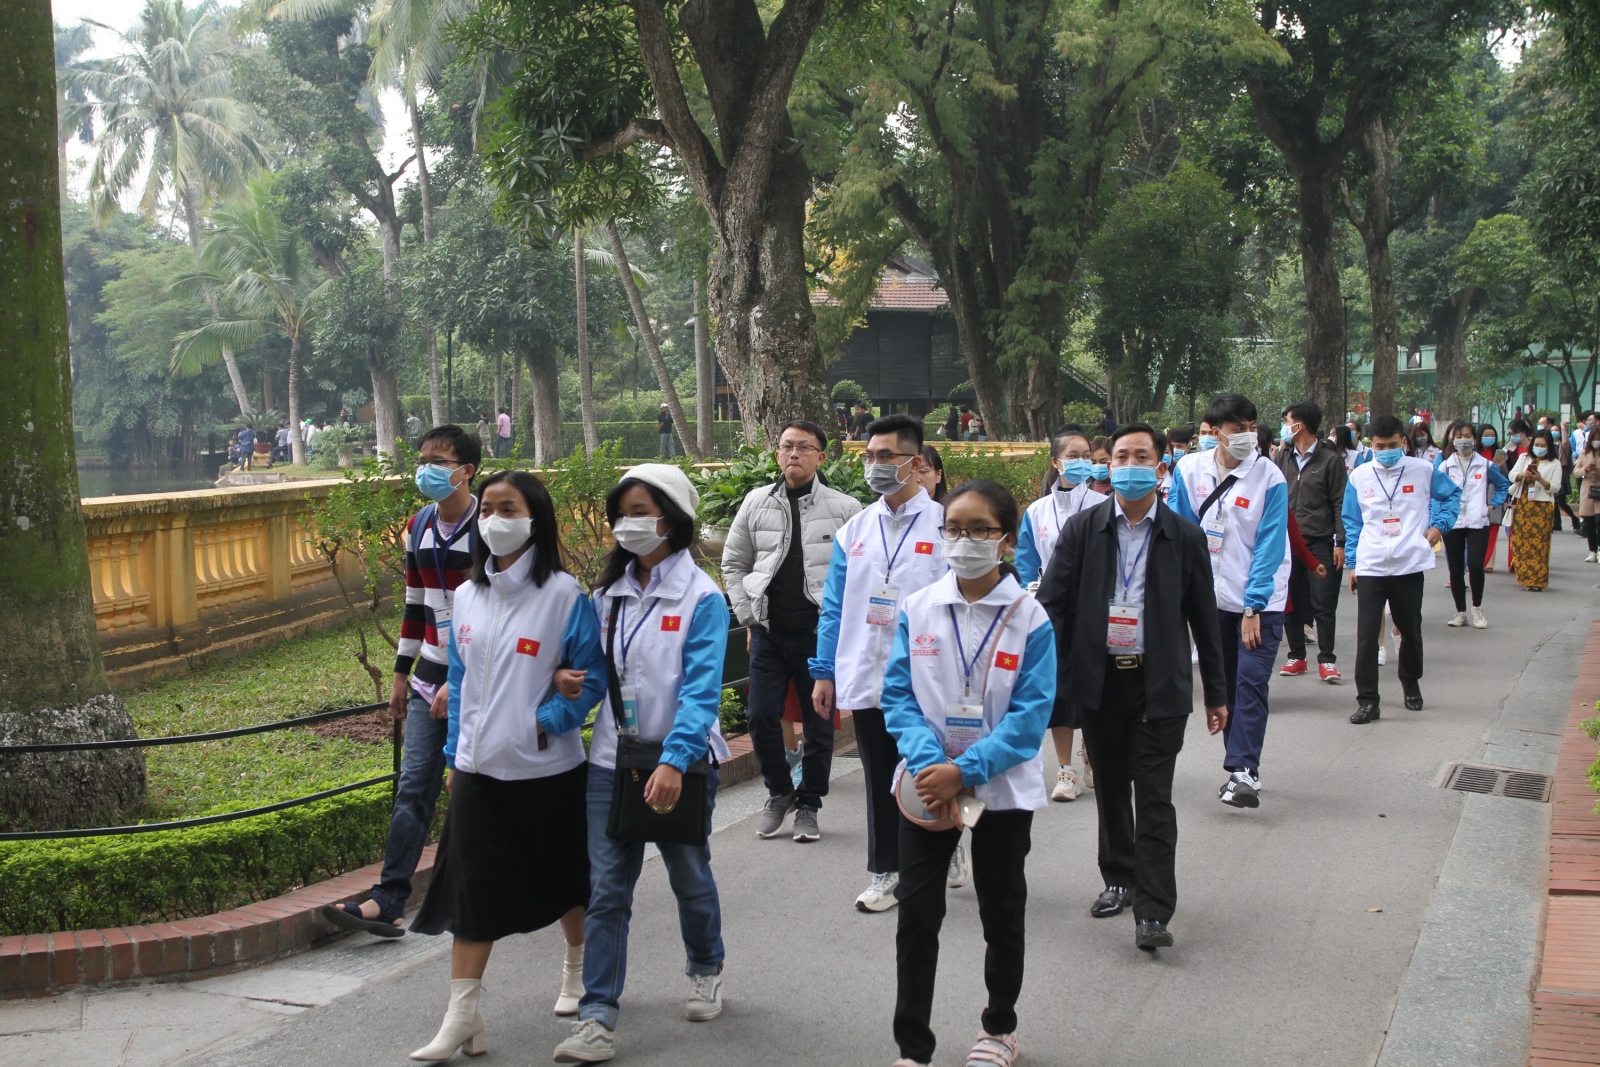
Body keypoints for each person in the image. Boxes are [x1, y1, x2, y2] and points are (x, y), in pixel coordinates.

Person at [408, 469, 604, 1061]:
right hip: (475, 769)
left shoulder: (566, 596)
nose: (493, 518)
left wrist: (546, 721)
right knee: (471, 890)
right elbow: (461, 681)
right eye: (487, 508)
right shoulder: (467, 597)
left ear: (534, 518)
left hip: (546, 770)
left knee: (567, 876)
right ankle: (462, 1017)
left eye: (507, 507)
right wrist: (452, 755)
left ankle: (577, 970)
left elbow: (591, 678)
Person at [554, 465, 732, 1063]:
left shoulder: (702, 597)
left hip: (679, 762)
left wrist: (677, 760)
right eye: (622, 513)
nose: (628, 524)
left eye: (640, 511)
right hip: (612, 761)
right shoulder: (606, 597)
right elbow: (597, 677)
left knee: (688, 875)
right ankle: (597, 1016)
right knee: (607, 889)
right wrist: (565, 686)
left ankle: (705, 964)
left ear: (671, 517)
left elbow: (702, 691)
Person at [880, 479, 1055, 1067]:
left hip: (1002, 788)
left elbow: (1030, 719)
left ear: (1004, 539)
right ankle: (913, 1046)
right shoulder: (919, 607)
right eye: (954, 528)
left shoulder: (1030, 619)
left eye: (979, 529)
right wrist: (934, 765)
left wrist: (968, 770)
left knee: (1001, 908)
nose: (964, 539)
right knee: (918, 915)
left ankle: (999, 1027)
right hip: (928, 785)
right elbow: (899, 695)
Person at [1037, 423, 1228, 950]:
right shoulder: (1083, 529)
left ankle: (1154, 909)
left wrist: (1217, 692)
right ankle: (1118, 878)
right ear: (1107, 465)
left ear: (1160, 466)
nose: (1128, 465)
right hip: (1099, 684)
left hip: (1159, 683)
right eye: (1119, 456)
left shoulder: (1184, 536)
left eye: (1140, 456)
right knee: (1113, 790)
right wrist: (1049, 673)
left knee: (1155, 795)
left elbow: (1205, 618)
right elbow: (1051, 604)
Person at [323, 426, 484, 942]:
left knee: (475, 789)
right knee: (414, 786)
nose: (426, 468)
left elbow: (500, 615)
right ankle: (389, 899)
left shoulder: (492, 526)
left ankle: (481, 891)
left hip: (479, 678)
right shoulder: (419, 525)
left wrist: (460, 681)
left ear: (467, 470)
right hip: (429, 675)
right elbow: (417, 603)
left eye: (438, 459)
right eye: (421, 459)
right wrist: (401, 671)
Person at [811, 413, 948, 913]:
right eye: (868, 457)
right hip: (868, 673)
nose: (874, 465)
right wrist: (824, 670)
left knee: (929, 768)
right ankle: (886, 870)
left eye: (885, 456)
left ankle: (945, 841)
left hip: (929, 677)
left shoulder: (945, 523)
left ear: (914, 463)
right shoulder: (855, 531)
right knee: (878, 773)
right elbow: (834, 605)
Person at [722, 421, 862, 843]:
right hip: (768, 633)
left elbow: (860, 576)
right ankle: (780, 792)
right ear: (777, 454)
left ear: (822, 456)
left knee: (819, 725)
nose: (793, 454)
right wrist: (749, 617)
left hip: (819, 636)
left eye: (804, 447)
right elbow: (733, 564)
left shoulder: (846, 509)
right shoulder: (755, 502)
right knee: (761, 715)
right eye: (786, 446)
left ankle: (810, 805)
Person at [1169, 394, 1290, 809]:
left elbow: (1270, 546)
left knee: (1251, 682)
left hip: (1261, 602)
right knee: (1225, 689)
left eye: (1250, 427)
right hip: (1211, 602)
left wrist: (1253, 607)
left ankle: (1243, 771)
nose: (1246, 435)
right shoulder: (1189, 470)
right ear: (1215, 431)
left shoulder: (1270, 478)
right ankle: (1238, 767)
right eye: (1236, 429)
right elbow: (1178, 534)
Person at [1343, 414, 1461, 724]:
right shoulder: (1359, 476)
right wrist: (1353, 564)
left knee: (1410, 630)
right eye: (1379, 446)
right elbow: (1353, 522)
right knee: (1367, 636)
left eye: (1392, 445)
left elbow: (1452, 496)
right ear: (1371, 444)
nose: (1386, 451)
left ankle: (1410, 683)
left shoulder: (1423, 470)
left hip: (1409, 562)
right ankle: (1368, 700)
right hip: (1371, 564)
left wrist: (1440, 526)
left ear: (1403, 442)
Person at [1013, 425, 1106, 801]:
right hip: (1051, 615)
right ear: (1056, 462)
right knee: (1059, 693)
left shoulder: (1104, 507)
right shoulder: (1037, 512)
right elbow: (1025, 563)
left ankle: (1093, 754)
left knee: (1095, 687)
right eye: (1073, 456)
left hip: (1096, 614)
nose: (1082, 462)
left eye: (1087, 456)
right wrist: (1030, 595)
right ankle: (1065, 769)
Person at [1274, 402, 1347, 684]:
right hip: (1288, 542)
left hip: (1319, 542)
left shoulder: (1330, 460)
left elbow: (1340, 503)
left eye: (1287, 420)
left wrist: (1341, 542)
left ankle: (1327, 661)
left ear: (1299, 425)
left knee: (1323, 601)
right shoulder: (1283, 457)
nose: (1284, 425)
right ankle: (1297, 656)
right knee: (1290, 600)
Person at [1437, 420, 1509, 628]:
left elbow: (1503, 485)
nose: (1463, 441)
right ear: (1452, 439)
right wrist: (1439, 517)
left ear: (1474, 439)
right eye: (1459, 437)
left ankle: (1477, 607)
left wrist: (1493, 504)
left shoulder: (1486, 465)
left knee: (1476, 564)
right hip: (1453, 522)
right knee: (1456, 569)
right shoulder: (1445, 466)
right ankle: (1460, 611)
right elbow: (1436, 494)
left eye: (1468, 436)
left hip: (1478, 521)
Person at [1507, 427, 1562, 592]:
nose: (1539, 447)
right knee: (1520, 541)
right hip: (1524, 504)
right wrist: (1522, 474)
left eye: (1543, 445)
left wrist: (1540, 480)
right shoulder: (1524, 457)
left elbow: (1555, 487)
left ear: (1549, 447)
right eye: (1537, 444)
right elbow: (1511, 474)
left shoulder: (1555, 463)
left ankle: (1537, 580)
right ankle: (1524, 576)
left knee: (1539, 544)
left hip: (1542, 506)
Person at [1575, 429, 1600, 562]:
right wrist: (1585, 469)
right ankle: (1593, 551)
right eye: (1595, 438)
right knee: (1589, 523)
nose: (1597, 441)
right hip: (1588, 491)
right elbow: (1575, 472)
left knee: (1599, 521)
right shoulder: (1584, 454)